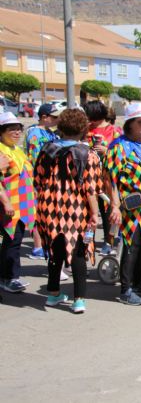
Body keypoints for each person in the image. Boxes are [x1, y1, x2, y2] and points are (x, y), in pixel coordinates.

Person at [35, 108, 101, 314]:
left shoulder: (47, 149)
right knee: (78, 251)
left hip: (49, 205)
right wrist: (95, 213)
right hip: (75, 208)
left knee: (56, 250)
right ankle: (78, 299)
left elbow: (37, 179)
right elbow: (90, 189)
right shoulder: (87, 154)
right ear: (83, 128)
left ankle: (53, 294)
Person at [105, 103, 141, 306]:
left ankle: (139, 282)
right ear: (130, 124)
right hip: (131, 207)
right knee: (132, 245)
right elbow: (110, 179)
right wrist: (114, 206)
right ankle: (126, 288)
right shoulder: (118, 147)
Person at [0, 112, 36, 293]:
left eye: (18, 128)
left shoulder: (17, 150)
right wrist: (6, 203)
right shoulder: (1, 151)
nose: (16, 132)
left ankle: (11, 276)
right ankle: (8, 277)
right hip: (8, 207)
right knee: (9, 243)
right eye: (11, 129)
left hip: (22, 207)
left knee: (14, 242)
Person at [24, 103, 62, 261]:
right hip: (39, 179)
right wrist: (36, 182)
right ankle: (38, 247)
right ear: (44, 117)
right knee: (38, 214)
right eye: (54, 117)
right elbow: (35, 159)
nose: (57, 119)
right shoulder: (35, 133)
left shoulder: (50, 133)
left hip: (51, 179)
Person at [85, 100, 123, 256]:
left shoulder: (114, 130)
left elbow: (121, 153)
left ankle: (110, 242)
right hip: (89, 177)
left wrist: (106, 150)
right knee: (88, 212)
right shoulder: (85, 130)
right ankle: (87, 245)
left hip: (108, 177)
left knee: (109, 210)